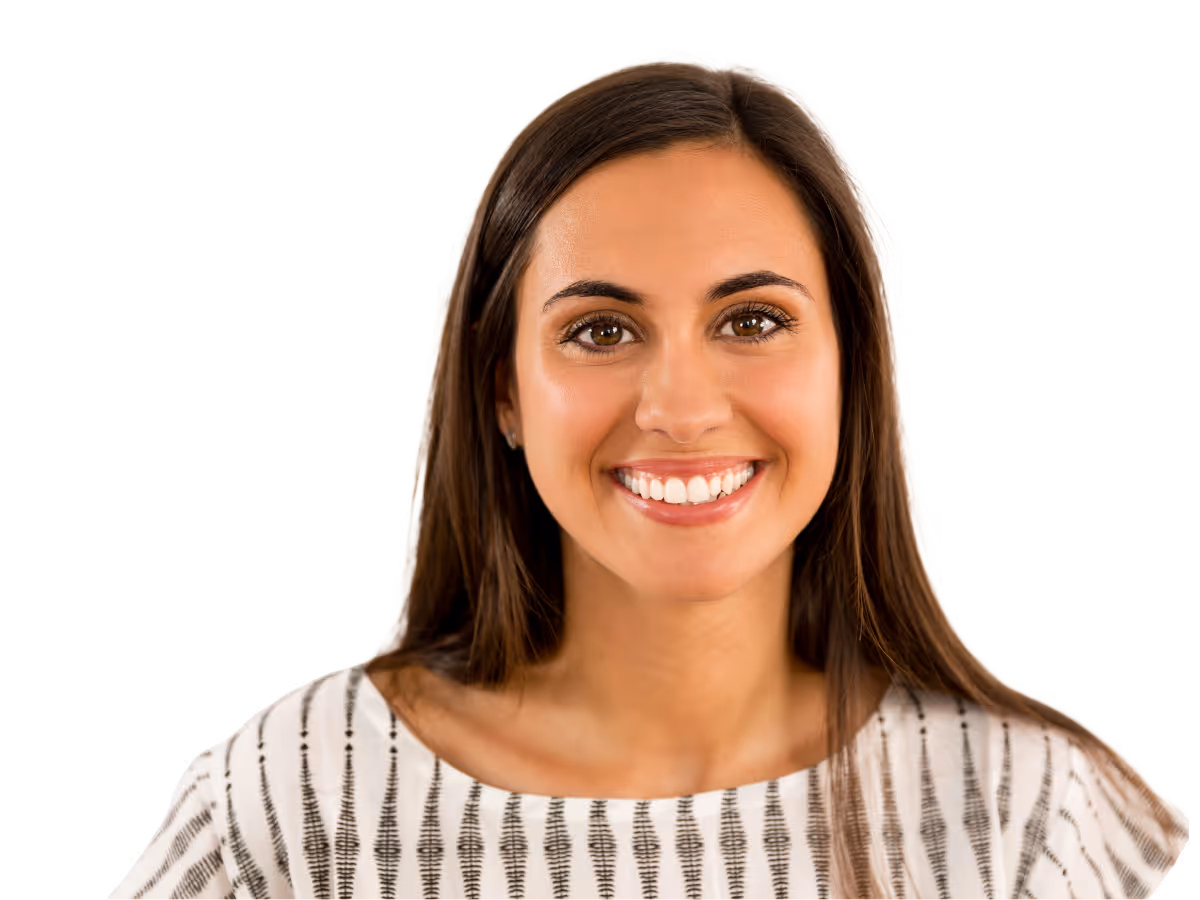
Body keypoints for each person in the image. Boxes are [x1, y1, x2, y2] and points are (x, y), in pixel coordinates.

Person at [108, 51, 1187, 899]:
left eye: (753, 320)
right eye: (601, 329)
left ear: (854, 372)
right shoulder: (296, 803)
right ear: (502, 391)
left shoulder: (1021, 810)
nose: (680, 408)